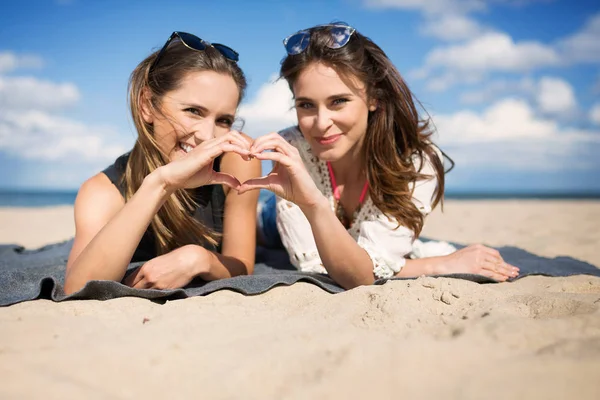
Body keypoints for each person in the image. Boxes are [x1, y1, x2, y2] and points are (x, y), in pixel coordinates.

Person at [240, 23, 519, 289]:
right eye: (306, 105)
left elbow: (360, 269)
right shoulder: (294, 147)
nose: (321, 122)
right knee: (243, 226)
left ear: (373, 98)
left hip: (324, 222)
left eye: (338, 101)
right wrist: (439, 264)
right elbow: (323, 267)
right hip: (278, 221)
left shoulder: (414, 163)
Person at [64, 32, 261, 295]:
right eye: (193, 111)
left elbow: (243, 264)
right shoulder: (102, 192)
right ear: (147, 105)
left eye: (223, 120)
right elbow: (78, 289)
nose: (207, 135)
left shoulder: (236, 158)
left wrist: (196, 259)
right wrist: (161, 183)